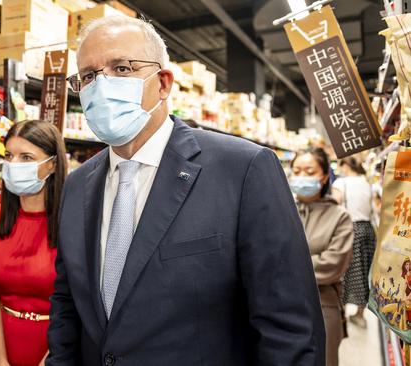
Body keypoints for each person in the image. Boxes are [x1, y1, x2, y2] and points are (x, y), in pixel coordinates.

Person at [47, 16, 326, 366]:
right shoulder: (77, 185)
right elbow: (67, 303)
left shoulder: (243, 169)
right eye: (88, 76)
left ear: (163, 84)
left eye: (121, 68)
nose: (101, 86)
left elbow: (289, 327)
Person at [0, 120, 67, 366]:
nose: (13, 165)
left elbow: (80, 303)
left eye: (26, 157)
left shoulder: (71, 223)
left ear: (52, 164)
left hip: (55, 350)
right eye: (9, 156)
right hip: (2, 347)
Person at [290, 148, 354, 366]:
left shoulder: (339, 217)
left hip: (323, 305)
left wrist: (285, 267)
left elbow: (333, 265)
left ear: (325, 176)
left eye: (309, 171)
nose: (301, 177)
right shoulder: (280, 210)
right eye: (296, 170)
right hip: (281, 305)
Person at [332, 157, 377, 328]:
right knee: (364, 272)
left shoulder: (341, 183)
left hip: (348, 228)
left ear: (344, 165)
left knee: (341, 271)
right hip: (367, 230)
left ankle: (340, 313)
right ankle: (360, 315)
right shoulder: (366, 183)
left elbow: (334, 204)